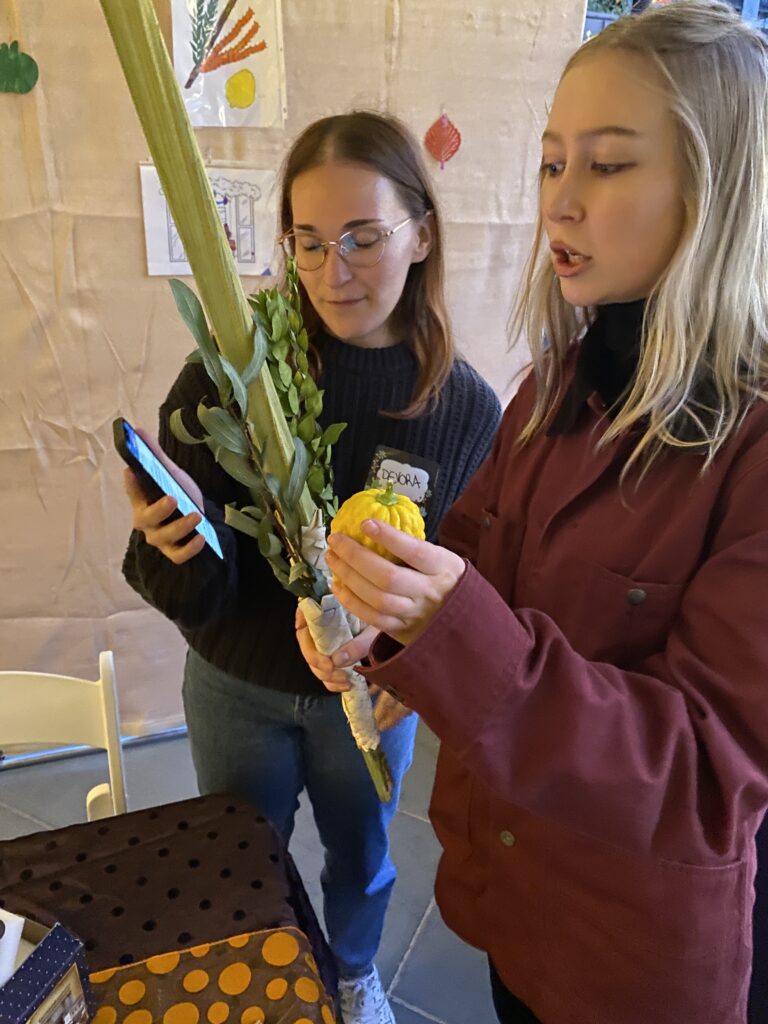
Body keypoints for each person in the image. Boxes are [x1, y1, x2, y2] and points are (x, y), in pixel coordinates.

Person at [296, 5, 768, 1022]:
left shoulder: (754, 452)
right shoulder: (553, 389)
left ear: (718, 190)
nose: (562, 204)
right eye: (552, 163)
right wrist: (380, 609)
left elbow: (703, 775)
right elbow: (472, 555)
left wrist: (454, 630)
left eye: (605, 166)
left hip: (639, 953)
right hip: (521, 898)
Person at [121, 111, 501, 1024]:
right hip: (235, 684)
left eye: (365, 237)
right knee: (239, 856)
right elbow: (191, 579)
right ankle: (255, 977)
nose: (335, 271)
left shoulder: (464, 411)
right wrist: (171, 539)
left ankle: (354, 972)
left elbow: (472, 593)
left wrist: (409, 655)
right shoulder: (233, 373)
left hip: (368, 703)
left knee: (363, 854)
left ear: (422, 232)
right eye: (309, 240)